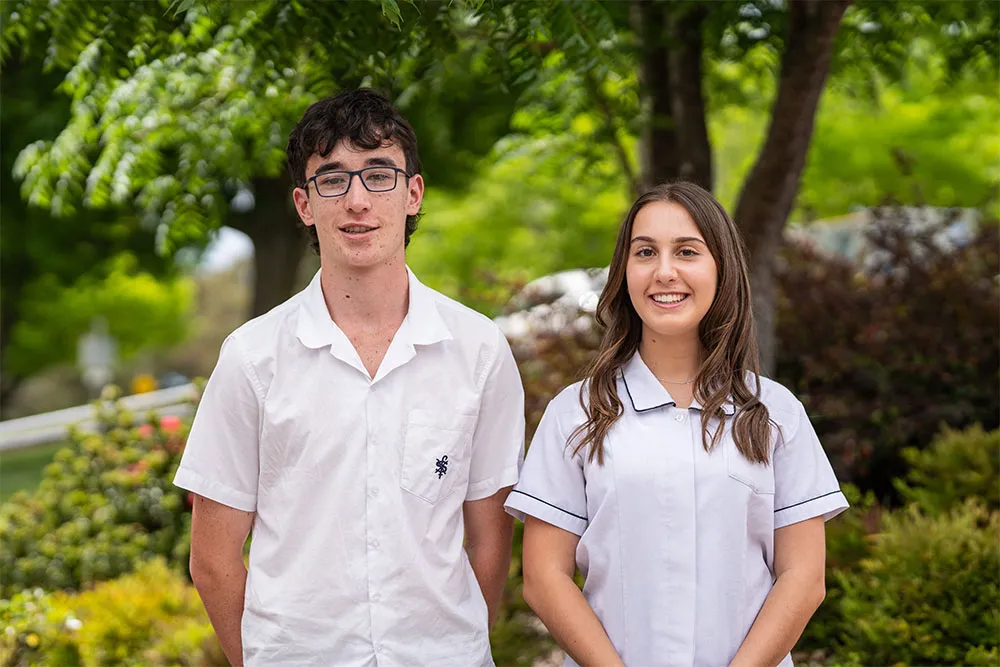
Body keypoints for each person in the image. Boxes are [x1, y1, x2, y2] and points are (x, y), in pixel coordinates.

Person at [174, 88, 525, 667]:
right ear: (305, 205)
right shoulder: (252, 357)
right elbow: (212, 559)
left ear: (413, 193)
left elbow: (490, 541)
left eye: (378, 175)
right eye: (332, 180)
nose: (357, 200)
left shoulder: (478, 349)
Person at [504, 182, 848, 667]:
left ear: (721, 269)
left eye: (687, 251)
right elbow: (544, 579)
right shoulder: (576, 414)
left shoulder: (775, 412)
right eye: (645, 252)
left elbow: (804, 577)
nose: (665, 272)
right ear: (624, 272)